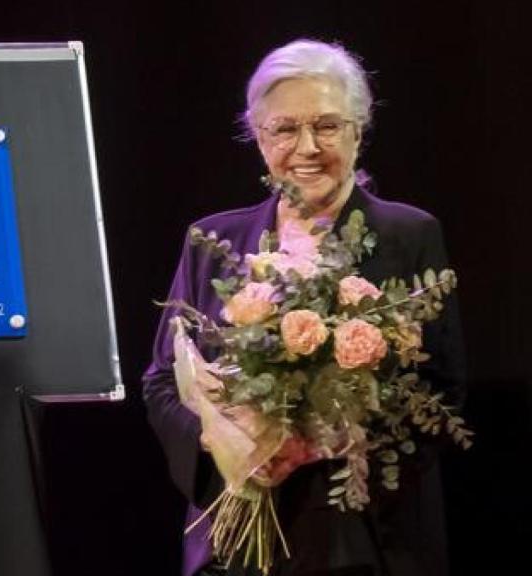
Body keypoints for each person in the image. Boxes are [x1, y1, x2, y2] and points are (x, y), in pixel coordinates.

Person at [142, 39, 466, 576]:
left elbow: (441, 390)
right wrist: (223, 444)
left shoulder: (409, 234)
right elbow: (160, 380)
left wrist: (316, 444)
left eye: (328, 126)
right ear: (259, 139)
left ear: (359, 131)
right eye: (285, 129)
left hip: (359, 538)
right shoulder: (212, 238)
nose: (307, 146)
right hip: (235, 540)